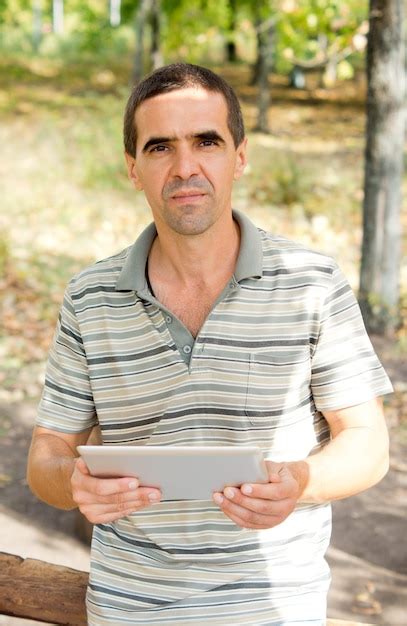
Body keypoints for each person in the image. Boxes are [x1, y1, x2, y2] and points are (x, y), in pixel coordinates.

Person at [27, 63, 393, 625]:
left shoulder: (311, 281)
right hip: (130, 610)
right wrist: (73, 485)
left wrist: (300, 481)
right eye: (160, 148)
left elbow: (368, 444)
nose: (185, 167)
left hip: (275, 608)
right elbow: (47, 456)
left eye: (206, 141)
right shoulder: (89, 297)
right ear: (133, 168)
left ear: (240, 156)